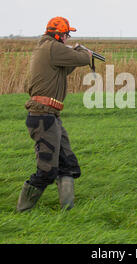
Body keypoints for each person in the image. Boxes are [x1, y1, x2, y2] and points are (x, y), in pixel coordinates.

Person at [17, 16, 92, 212]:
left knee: (67, 163)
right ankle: (22, 211)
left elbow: (64, 70)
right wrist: (83, 50)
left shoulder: (47, 48)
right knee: (47, 171)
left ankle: (68, 211)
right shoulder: (52, 48)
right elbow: (83, 59)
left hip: (50, 117)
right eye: (67, 35)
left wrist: (73, 52)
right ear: (59, 35)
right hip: (43, 117)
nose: (68, 38)